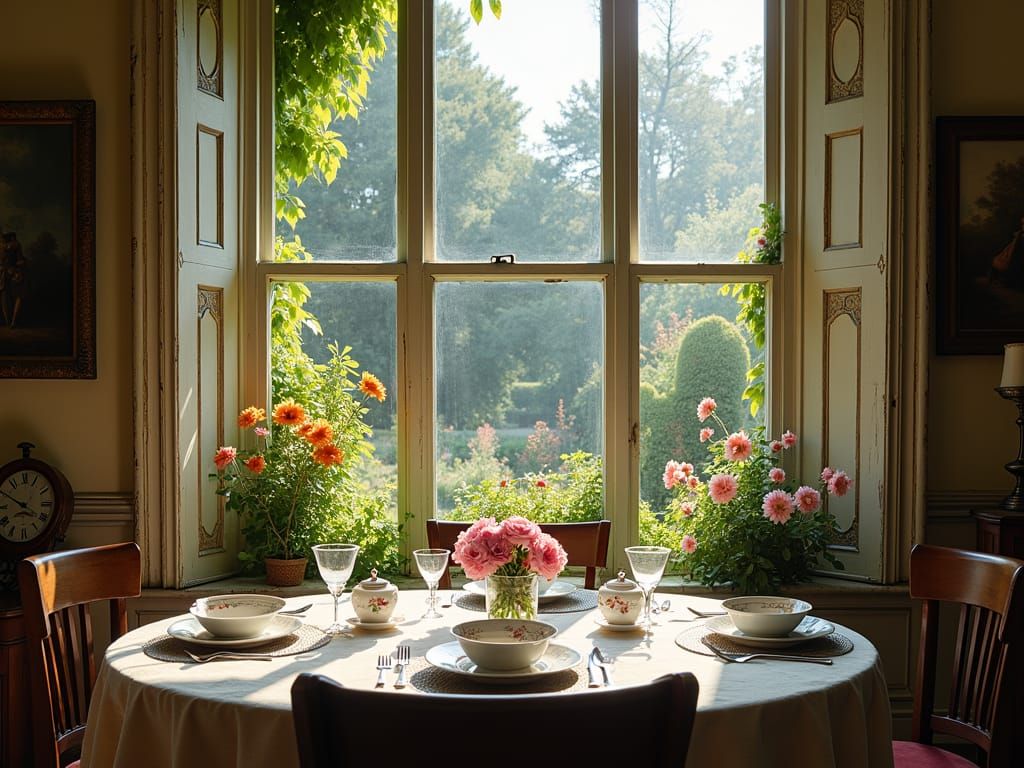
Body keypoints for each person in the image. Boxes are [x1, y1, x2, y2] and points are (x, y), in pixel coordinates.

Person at [0, 231, 28, 328]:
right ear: (12, 238)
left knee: (6, 296)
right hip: (14, 273)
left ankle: (10, 322)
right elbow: (20, 261)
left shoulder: (3, 246)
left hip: (7, 273)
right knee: (17, 296)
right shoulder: (15, 245)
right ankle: (12, 322)